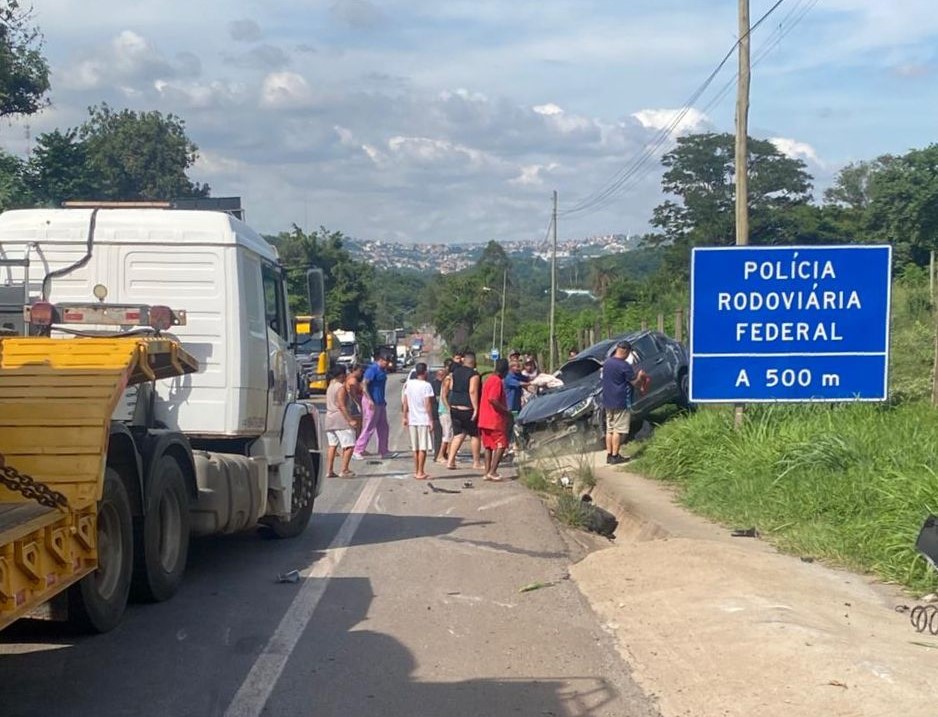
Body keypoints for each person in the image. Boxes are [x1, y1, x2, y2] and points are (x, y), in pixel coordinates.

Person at [602, 340, 648, 465]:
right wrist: (640, 375)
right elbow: (635, 383)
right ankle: (616, 456)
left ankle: (609, 454)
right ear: (626, 352)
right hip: (620, 400)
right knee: (618, 430)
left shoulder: (607, 363)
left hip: (607, 400)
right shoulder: (624, 366)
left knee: (609, 429)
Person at [444, 350, 483, 470]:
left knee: (458, 434)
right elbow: (472, 391)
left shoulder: (455, 372)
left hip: (454, 406)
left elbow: (451, 387)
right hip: (467, 408)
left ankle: (450, 461)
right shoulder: (474, 375)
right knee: (475, 435)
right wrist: (476, 408)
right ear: (474, 361)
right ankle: (476, 462)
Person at [353, 352, 395, 460]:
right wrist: (369, 400)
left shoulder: (382, 371)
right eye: (386, 361)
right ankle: (358, 449)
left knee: (383, 427)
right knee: (369, 427)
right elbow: (364, 385)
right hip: (371, 402)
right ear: (380, 360)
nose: (387, 364)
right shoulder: (372, 370)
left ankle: (383, 450)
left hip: (380, 402)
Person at [478, 358, 512, 481]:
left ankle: (487, 472)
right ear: (504, 371)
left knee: (488, 446)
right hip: (494, 419)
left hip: (484, 419)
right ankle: (493, 471)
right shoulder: (497, 381)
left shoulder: (488, 380)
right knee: (501, 444)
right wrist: (506, 411)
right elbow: (493, 399)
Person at [402, 362, 435, 480]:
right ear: (425, 372)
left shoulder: (409, 384)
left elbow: (405, 401)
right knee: (423, 447)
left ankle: (416, 471)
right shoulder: (427, 386)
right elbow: (427, 404)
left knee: (415, 448)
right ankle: (421, 472)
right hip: (423, 419)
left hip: (412, 419)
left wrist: (405, 416)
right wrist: (431, 420)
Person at [324, 365, 357, 478]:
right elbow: (342, 405)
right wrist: (350, 420)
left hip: (329, 419)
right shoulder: (340, 387)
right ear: (341, 375)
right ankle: (344, 469)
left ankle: (329, 470)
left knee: (332, 445)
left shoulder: (330, 386)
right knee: (349, 445)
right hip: (340, 420)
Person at [503, 359, 531, 451]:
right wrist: (531, 383)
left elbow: (526, 378)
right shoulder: (509, 378)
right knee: (511, 425)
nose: (519, 368)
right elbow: (521, 383)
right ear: (511, 368)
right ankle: (509, 445)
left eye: (519, 366)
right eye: (516, 366)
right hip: (510, 407)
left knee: (517, 423)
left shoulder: (518, 375)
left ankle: (516, 444)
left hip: (517, 406)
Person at [432, 362, 453, 464]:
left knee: (449, 434)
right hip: (442, 411)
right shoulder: (445, 382)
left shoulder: (446, 381)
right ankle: (440, 455)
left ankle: (448, 454)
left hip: (442, 411)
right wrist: (449, 408)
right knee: (446, 435)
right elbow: (443, 397)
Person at [345, 364, 364, 437]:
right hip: (354, 405)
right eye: (360, 371)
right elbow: (354, 394)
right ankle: (357, 445)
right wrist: (359, 405)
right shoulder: (353, 380)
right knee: (358, 426)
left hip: (351, 404)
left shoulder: (348, 378)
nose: (361, 373)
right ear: (354, 370)